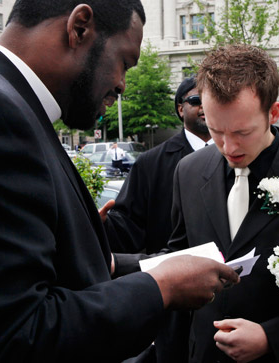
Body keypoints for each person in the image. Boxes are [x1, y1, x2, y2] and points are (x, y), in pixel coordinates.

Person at [0, 0, 240, 361]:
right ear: (80, 27)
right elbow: (13, 333)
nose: (121, 84)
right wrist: (162, 288)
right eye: (123, 62)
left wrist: (122, 262)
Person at [165, 44, 279, 362]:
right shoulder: (188, 171)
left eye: (242, 131)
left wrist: (273, 337)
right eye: (215, 130)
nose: (228, 145)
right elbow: (179, 260)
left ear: (273, 113)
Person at [103, 76, 210, 363]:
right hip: (171, 299)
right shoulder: (151, 163)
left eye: (209, 99)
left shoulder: (237, 157)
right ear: (180, 109)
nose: (203, 107)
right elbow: (127, 225)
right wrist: (98, 228)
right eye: (195, 100)